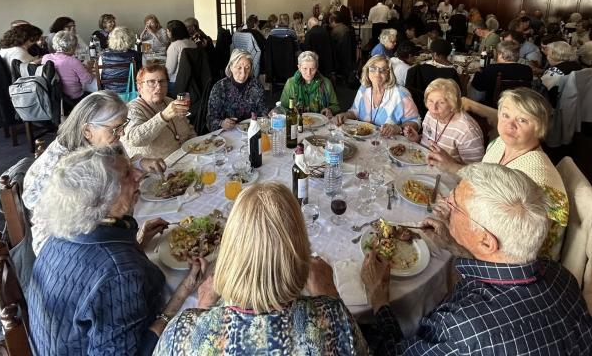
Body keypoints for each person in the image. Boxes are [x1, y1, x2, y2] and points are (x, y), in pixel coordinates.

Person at [362, 162, 592, 355]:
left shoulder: (462, 329)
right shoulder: (562, 277)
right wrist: (459, 246)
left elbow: (392, 352)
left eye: (454, 206)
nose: (445, 206)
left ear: (486, 241)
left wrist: (378, 299)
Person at [28, 145, 207, 356]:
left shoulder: (61, 234)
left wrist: (138, 242)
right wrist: (183, 294)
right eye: (127, 175)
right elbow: (138, 351)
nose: (138, 175)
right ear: (102, 198)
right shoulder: (120, 274)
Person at [154, 182, 368, 355]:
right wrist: (328, 295)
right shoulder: (334, 319)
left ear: (229, 250)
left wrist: (202, 313)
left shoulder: (180, 332)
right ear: (301, 250)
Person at [23, 91, 166, 254]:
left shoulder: (105, 145)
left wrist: (138, 162)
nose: (122, 134)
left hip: (116, 232)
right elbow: (46, 241)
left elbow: (117, 169)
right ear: (87, 131)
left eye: (123, 126)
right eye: (116, 129)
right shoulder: (58, 173)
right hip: (81, 254)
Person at [462, 88, 569, 259]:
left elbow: (526, 247)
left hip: (513, 259)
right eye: (505, 115)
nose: (509, 125)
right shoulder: (499, 144)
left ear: (539, 129)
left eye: (522, 120)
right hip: (488, 230)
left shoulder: (540, 181)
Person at [404, 78, 484, 173]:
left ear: (452, 104)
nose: (434, 108)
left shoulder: (467, 130)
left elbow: (477, 173)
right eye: (430, 101)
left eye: (441, 102)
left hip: (449, 179)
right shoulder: (430, 114)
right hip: (423, 167)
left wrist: (450, 163)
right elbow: (433, 141)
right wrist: (417, 139)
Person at [335, 55, 421, 137]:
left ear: (389, 73)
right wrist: (345, 115)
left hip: (390, 142)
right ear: (367, 71)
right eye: (373, 69)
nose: (377, 73)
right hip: (364, 138)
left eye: (383, 70)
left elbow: (415, 122)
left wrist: (398, 128)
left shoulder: (401, 93)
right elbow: (355, 111)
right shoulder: (364, 88)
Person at [123, 64, 196, 160]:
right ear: (140, 87)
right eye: (151, 82)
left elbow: (188, 128)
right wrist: (164, 116)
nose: (158, 87)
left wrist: (196, 145)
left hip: (187, 158)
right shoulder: (132, 109)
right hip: (159, 168)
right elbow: (134, 139)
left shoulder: (169, 101)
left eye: (162, 81)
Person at [206, 49, 268, 131]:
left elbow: (263, 113)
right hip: (227, 135)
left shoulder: (256, 86)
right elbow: (210, 120)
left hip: (251, 132)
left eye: (247, 68)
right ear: (231, 67)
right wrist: (221, 123)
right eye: (239, 68)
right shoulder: (220, 88)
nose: (243, 73)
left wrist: (268, 116)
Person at [279, 51, 340, 116]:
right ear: (299, 68)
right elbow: (282, 107)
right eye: (305, 68)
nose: (309, 73)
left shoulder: (326, 82)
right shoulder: (290, 83)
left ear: (317, 67)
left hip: (320, 122)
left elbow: (336, 106)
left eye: (312, 69)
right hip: (297, 122)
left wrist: (329, 109)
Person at [41, 31, 94, 103]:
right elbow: (88, 80)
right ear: (72, 47)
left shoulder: (45, 58)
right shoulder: (73, 61)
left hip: (54, 99)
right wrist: (89, 69)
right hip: (74, 98)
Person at [100, 26, 143, 93]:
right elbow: (141, 75)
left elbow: (101, 77)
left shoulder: (103, 56)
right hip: (131, 92)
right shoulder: (136, 55)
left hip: (109, 93)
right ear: (130, 39)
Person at [165, 19, 197, 85]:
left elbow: (169, 71)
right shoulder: (192, 43)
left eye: (168, 31)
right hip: (193, 81)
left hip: (176, 82)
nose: (166, 32)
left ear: (173, 32)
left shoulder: (174, 46)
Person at [329, 12, 354, 80]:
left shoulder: (335, 31)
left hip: (340, 56)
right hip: (349, 55)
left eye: (330, 22)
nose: (329, 24)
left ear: (333, 21)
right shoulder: (346, 28)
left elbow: (331, 47)